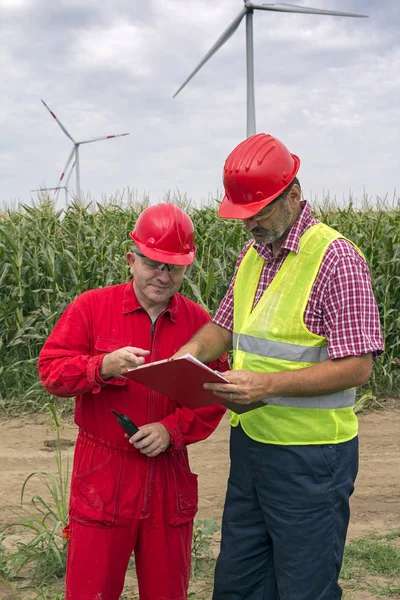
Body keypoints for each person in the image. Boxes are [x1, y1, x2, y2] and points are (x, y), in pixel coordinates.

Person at [174, 133, 384, 600]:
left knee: (304, 587)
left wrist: (266, 385)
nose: (249, 223)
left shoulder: (337, 260)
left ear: (293, 195)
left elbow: (357, 366)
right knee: (240, 584)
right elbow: (224, 327)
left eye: (259, 211)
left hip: (311, 458)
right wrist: (187, 355)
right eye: (242, 215)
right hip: (251, 447)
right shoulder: (255, 254)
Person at [38, 203, 228, 600]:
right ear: (132, 260)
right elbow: (51, 371)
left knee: (166, 592)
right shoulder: (91, 307)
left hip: (167, 473)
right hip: (103, 472)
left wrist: (171, 430)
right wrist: (100, 367)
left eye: (173, 268)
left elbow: (214, 394)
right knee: (90, 591)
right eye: (153, 263)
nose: (162, 276)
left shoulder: (199, 324)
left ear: (186, 268)